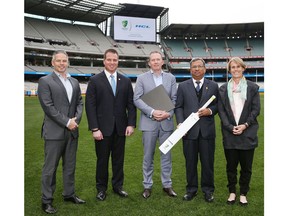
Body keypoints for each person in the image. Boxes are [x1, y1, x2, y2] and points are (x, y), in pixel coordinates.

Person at [37, 50, 85, 214]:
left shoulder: (75, 82)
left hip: (72, 132)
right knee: (50, 168)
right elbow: (48, 107)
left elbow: (79, 102)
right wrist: (67, 122)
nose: (62, 63)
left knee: (70, 166)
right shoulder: (45, 81)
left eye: (64, 61)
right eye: (58, 61)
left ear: (68, 62)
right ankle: (46, 200)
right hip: (54, 132)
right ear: (53, 63)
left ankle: (69, 194)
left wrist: (75, 121)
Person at [85, 48, 136, 201]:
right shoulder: (95, 80)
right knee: (102, 160)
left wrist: (131, 124)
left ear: (118, 61)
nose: (112, 62)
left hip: (121, 128)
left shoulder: (125, 81)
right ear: (104, 61)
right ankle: (101, 189)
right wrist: (95, 128)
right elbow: (90, 106)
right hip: (102, 129)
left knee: (118, 160)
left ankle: (118, 186)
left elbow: (130, 105)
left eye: (115, 60)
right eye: (109, 59)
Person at [134, 51, 178, 199]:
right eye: (153, 60)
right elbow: (137, 99)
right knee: (148, 156)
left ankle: (167, 185)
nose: (156, 62)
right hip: (149, 123)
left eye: (158, 59)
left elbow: (175, 98)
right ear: (149, 62)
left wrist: (168, 114)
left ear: (162, 62)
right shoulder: (141, 78)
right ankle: (147, 185)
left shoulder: (171, 78)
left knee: (166, 155)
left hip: (166, 122)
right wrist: (152, 112)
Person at [218, 57, 260, 206]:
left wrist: (245, 125)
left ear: (243, 68)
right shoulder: (223, 89)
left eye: (238, 67)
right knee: (231, 167)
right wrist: (230, 127)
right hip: (230, 134)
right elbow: (222, 111)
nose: (235, 69)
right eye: (232, 67)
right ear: (229, 70)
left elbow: (256, 110)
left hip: (247, 133)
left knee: (246, 168)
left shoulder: (253, 87)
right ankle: (232, 192)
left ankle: (243, 193)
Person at [175, 57, 218, 202]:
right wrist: (180, 123)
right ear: (190, 69)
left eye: (200, 66)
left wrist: (210, 111)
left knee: (207, 163)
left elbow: (218, 106)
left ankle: (208, 190)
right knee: (190, 163)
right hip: (188, 132)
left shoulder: (213, 85)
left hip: (207, 132)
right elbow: (179, 106)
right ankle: (191, 189)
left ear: (205, 69)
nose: (197, 69)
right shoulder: (182, 86)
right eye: (194, 67)